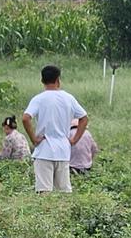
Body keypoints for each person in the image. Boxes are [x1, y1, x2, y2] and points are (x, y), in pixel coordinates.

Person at [22, 64, 87, 194]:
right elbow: (84, 118)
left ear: (42, 80)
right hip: (63, 150)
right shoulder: (69, 98)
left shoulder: (39, 99)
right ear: (58, 80)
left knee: (44, 192)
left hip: (44, 149)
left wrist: (34, 139)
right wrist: (74, 140)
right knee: (64, 192)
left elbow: (25, 118)